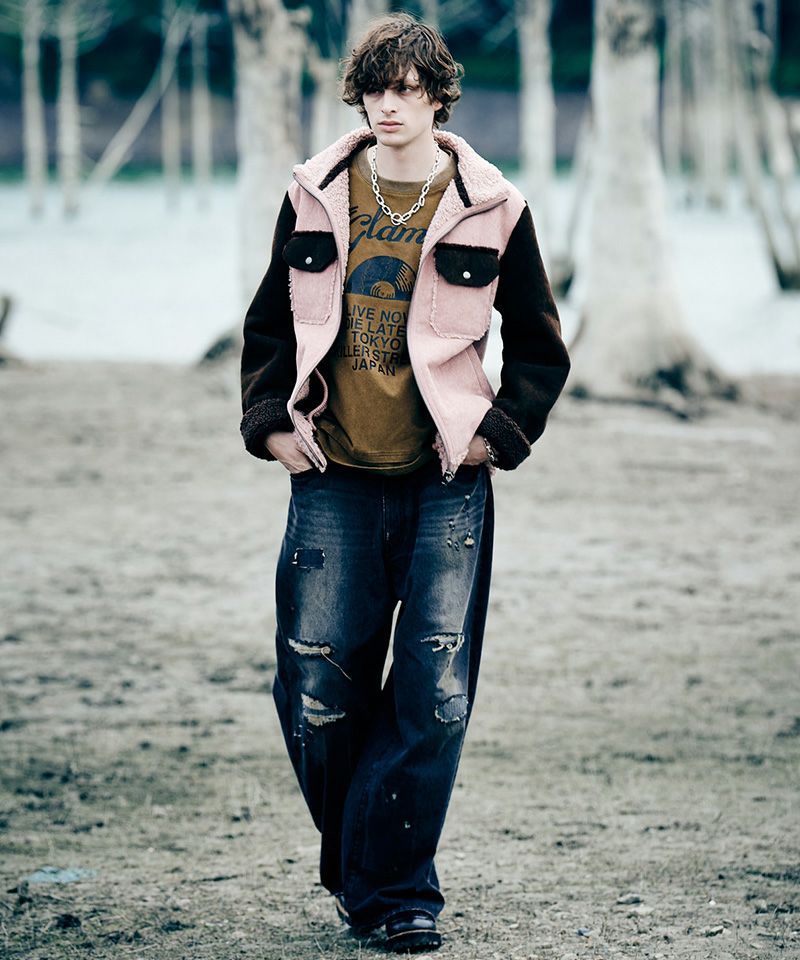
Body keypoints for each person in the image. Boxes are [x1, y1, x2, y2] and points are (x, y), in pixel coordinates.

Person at [239, 12, 570, 953]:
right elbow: (268, 325)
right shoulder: (314, 193)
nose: (390, 105)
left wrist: (497, 436)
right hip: (332, 474)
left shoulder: (493, 206)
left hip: (444, 482)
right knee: (316, 684)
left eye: (408, 90)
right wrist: (269, 423)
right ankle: (370, 867)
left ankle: (393, 892)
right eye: (377, 89)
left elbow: (540, 347)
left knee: (435, 693)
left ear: (438, 97)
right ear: (360, 96)